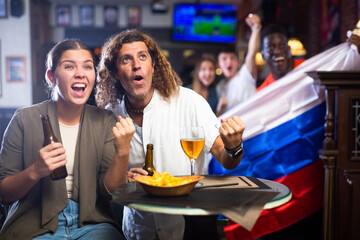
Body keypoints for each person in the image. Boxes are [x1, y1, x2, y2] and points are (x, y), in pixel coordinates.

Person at [95, 29, 245, 240]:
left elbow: (227, 159)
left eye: (142, 56)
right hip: (138, 231)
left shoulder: (189, 102)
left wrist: (234, 146)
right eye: (126, 59)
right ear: (116, 72)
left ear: (153, 65)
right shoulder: (109, 115)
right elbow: (108, 186)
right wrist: (126, 181)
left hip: (189, 228)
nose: (136, 64)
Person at [0, 39, 135, 239]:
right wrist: (36, 170)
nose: (80, 73)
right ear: (51, 77)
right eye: (69, 66)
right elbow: (4, 193)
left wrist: (123, 152)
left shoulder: (105, 120)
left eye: (87, 66)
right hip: (33, 223)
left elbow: (111, 192)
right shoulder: (23, 119)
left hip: (93, 222)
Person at [257, 24, 360, 92]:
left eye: (282, 45)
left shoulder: (311, 69)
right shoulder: (263, 93)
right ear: (262, 55)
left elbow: (341, 68)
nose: (277, 51)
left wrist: (352, 51)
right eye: (270, 47)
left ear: (289, 50)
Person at [216, 13, 261, 116]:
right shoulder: (219, 86)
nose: (228, 62)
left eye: (232, 58)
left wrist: (256, 29)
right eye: (224, 59)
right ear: (219, 64)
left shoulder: (245, 75)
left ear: (237, 62)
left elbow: (252, 53)